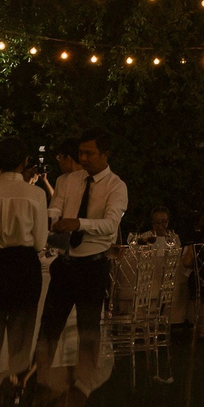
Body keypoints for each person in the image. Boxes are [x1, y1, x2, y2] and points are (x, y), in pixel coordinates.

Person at [38, 127, 128, 350]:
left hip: (93, 266)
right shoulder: (67, 181)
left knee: (88, 333)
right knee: (48, 329)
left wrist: (79, 223)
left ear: (105, 154)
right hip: (64, 264)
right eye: (81, 153)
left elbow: (110, 224)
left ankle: (85, 380)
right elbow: (55, 207)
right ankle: (37, 380)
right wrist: (50, 218)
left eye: (90, 153)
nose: (84, 158)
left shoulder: (116, 186)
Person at [0, 141, 50, 378]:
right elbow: (39, 242)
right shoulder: (36, 194)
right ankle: (18, 391)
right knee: (21, 334)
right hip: (24, 265)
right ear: (25, 161)